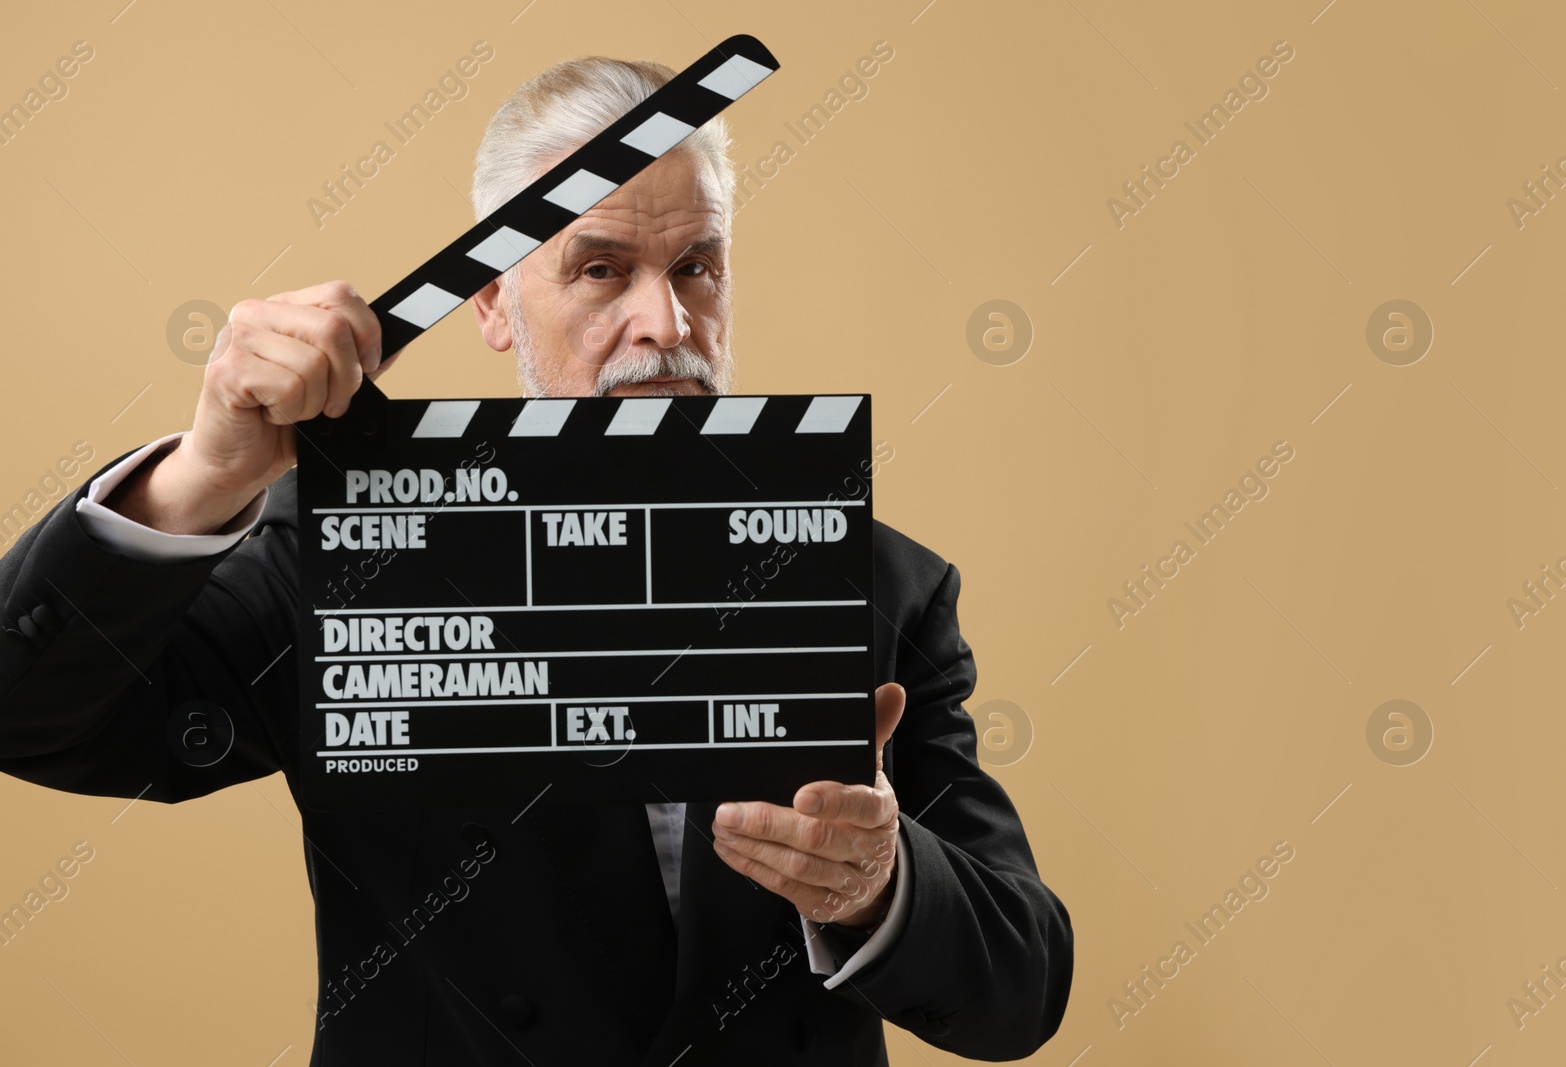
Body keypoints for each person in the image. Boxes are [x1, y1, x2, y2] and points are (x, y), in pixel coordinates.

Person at [0, 55, 1072, 1064]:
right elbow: (27, 710)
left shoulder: (879, 583)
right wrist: (199, 475)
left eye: (695, 266)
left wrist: (882, 886)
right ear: (490, 303)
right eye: (600, 268)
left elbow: (1021, 984)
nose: (664, 321)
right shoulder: (354, 563)